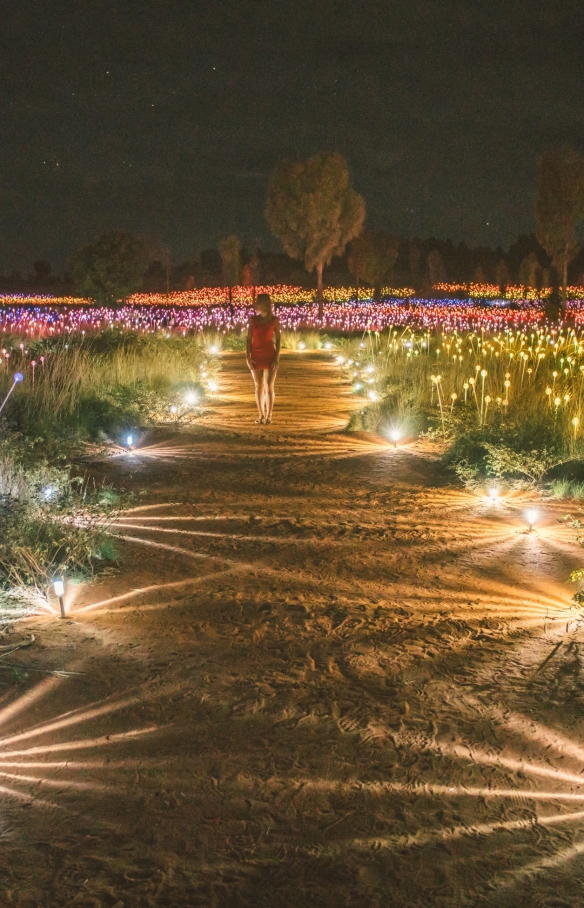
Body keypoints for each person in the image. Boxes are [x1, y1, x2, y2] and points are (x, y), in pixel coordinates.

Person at [246, 293, 281, 424]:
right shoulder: (253, 320)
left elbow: (278, 340)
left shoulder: (274, 321)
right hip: (255, 354)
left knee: (269, 386)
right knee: (258, 385)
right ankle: (261, 414)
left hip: (269, 354)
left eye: (258, 303)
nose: (255, 305)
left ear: (265, 304)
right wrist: (248, 357)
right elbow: (249, 339)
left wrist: (277, 358)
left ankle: (269, 415)